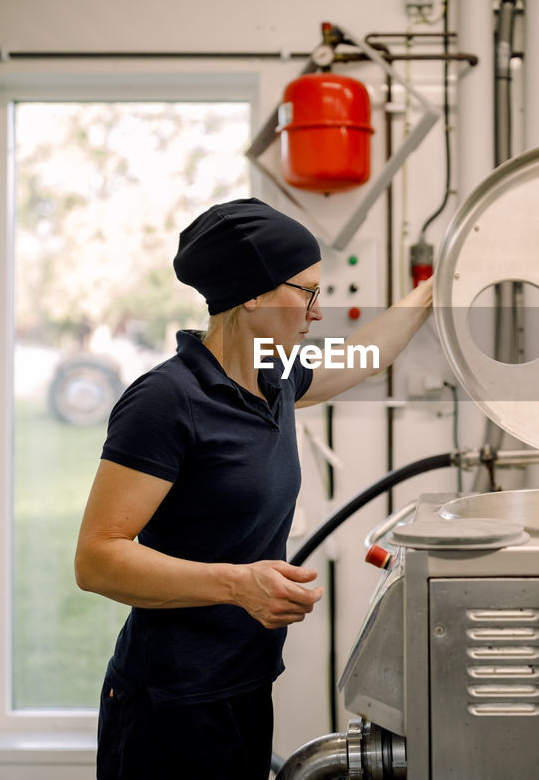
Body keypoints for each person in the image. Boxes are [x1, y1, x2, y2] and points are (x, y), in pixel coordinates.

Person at [74, 197, 433, 779]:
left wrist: (437, 287)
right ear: (255, 294)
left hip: (244, 680)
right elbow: (96, 559)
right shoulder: (168, 401)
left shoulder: (277, 375)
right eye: (308, 292)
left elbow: (367, 357)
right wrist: (239, 584)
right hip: (170, 702)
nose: (318, 311)